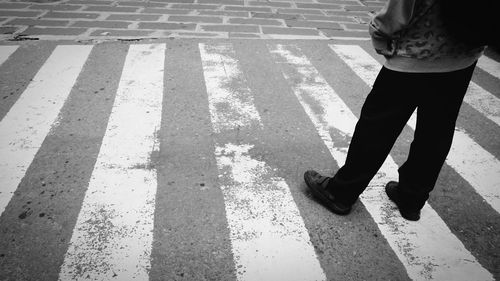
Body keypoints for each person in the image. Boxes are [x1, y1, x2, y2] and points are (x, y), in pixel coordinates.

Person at [303, 0, 487, 221]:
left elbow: (398, 9)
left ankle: (341, 192)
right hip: (464, 54)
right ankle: (412, 198)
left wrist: (379, 33)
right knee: (437, 128)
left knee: (378, 126)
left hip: (416, 52)